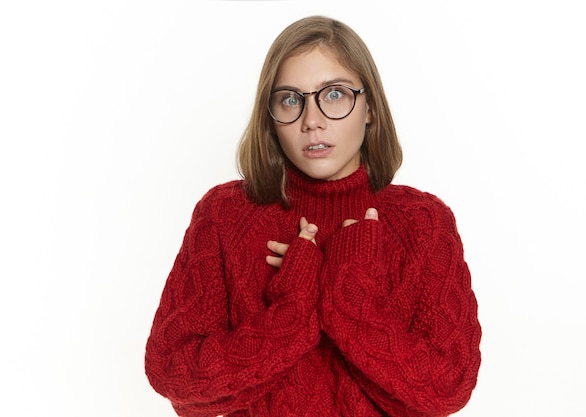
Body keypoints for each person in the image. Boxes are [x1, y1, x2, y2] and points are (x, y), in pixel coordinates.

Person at [145, 15, 481, 417]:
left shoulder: (423, 224)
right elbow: (172, 374)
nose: (312, 120)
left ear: (370, 106)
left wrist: (348, 295)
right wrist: (291, 309)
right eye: (290, 99)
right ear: (270, 115)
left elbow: (447, 389)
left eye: (334, 94)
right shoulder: (225, 216)